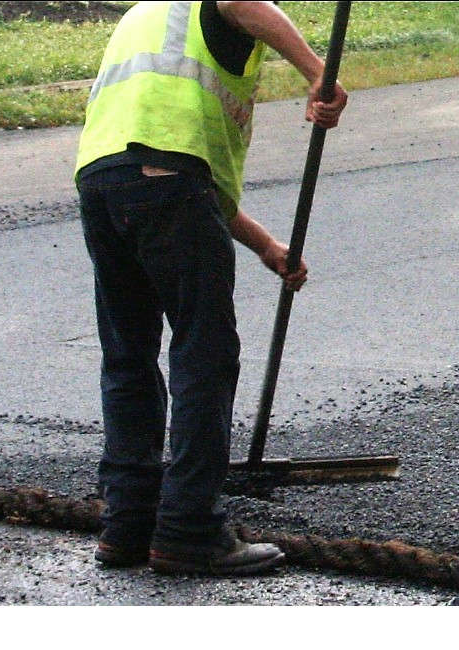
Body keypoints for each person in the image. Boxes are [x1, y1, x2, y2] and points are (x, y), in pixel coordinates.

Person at [75, 1, 347, 576]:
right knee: (204, 353)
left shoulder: (144, 17)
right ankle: (188, 530)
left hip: (104, 186)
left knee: (127, 356)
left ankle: (128, 525)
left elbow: (168, 168)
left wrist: (266, 246)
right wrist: (317, 73)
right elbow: (241, 4)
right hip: (164, 184)